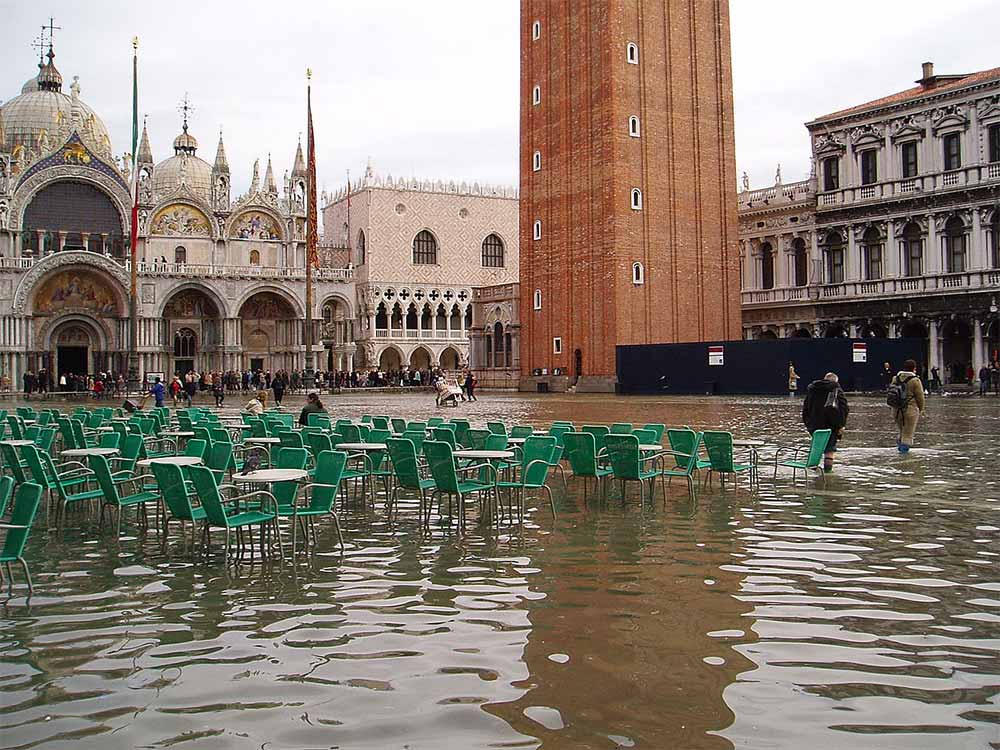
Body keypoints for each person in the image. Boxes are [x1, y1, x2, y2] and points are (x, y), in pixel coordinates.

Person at [802, 372, 849, 473]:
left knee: (817, 449)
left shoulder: (812, 390)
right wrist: (841, 426)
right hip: (831, 426)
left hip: (815, 427)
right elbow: (844, 409)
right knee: (829, 451)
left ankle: (814, 473)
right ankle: (828, 475)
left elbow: (805, 409)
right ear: (836, 381)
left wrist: (809, 425)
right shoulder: (836, 390)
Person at [892, 359, 926, 453]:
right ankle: (903, 457)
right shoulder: (915, 381)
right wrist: (922, 409)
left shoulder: (895, 378)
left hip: (896, 409)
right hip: (910, 410)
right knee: (908, 434)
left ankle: (899, 449)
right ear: (914, 368)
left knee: (901, 431)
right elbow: (920, 397)